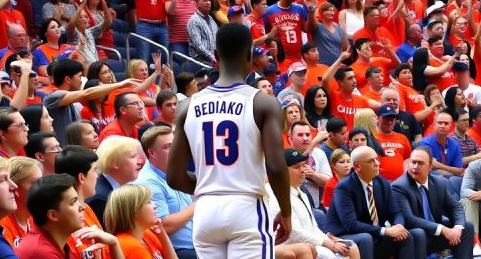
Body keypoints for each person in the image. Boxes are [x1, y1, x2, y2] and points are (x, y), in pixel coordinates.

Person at [167, 23, 292, 257]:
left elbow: (174, 177)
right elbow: (276, 167)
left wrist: (213, 187)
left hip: (206, 210)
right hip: (246, 207)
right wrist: (286, 212)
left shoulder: (186, 106)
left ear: (215, 56)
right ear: (250, 56)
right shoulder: (263, 102)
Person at [325, 145, 418, 259]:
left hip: (374, 234)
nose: (377, 163)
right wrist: (384, 230)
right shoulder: (344, 188)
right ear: (357, 166)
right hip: (346, 236)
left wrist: (398, 226)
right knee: (366, 238)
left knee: (405, 236)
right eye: (371, 161)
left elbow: (395, 213)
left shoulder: (382, 182)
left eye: (377, 159)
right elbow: (351, 224)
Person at [268, 148, 357, 259]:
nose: (303, 170)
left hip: (310, 243)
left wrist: (330, 242)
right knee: (330, 255)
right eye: (296, 167)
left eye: (303, 165)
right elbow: (292, 233)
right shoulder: (275, 194)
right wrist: (328, 244)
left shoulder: (302, 193)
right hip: (289, 247)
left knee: (351, 247)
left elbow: (313, 227)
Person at [391, 147, 473, 259]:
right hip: (414, 237)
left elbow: (455, 207)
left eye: (420, 163)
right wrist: (443, 229)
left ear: (430, 167)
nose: (415, 166)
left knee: (466, 227)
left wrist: (457, 229)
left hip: (434, 234)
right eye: (413, 162)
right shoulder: (399, 187)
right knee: (419, 233)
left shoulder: (439, 182)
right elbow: (409, 219)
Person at [17, 173, 123, 259]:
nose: (82, 207)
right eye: (73, 202)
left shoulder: (59, 242)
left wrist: (114, 244)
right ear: (53, 215)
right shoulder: (41, 251)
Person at [134, 125, 196, 259]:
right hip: (179, 251)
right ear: (151, 153)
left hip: (195, 245)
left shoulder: (175, 170)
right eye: (168, 147)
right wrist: (198, 204)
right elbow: (164, 225)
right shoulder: (147, 182)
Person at [43, 59, 138, 145]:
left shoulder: (74, 103)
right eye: (80, 77)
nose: (81, 81)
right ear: (68, 79)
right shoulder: (53, 97)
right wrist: (120, 84)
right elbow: (87, 94)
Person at [103, 184, 178, 259]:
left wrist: (163, 236)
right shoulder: (133, 247)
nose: (155, 206)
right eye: (148, 202)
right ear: (134, 211)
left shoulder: (146, 234)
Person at [87, 135, 145, 229]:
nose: (140, 161)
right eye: (133, 156)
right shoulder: (101, 199)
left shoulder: (122, 187)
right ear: (114, 162)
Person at [417, 112, 463, 176]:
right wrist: (452, 171)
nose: (442, 126)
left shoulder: (455, 144)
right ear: (434, 125)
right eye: (440, 123)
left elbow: (459, 170)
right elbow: (429, 167)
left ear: (451, 126)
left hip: (452, 178)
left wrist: (439, 165)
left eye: (446, 123)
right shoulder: (425, 143)